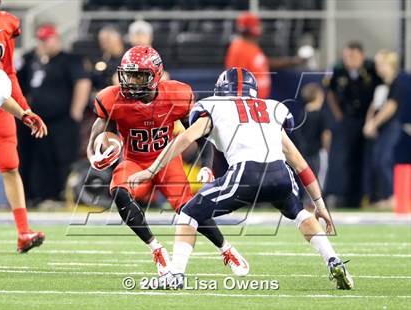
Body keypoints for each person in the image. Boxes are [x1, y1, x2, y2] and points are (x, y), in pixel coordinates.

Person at [129, 67, 354, 290]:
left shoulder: (214, 106)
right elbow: (299, 162)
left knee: (188, 214)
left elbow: (185, 138)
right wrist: (320, 204)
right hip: (280, 174)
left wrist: (151, 170)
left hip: (246, 173)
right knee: (299, 213)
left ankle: (175, 275)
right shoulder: (271, 107)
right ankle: (333, 260)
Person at [87, 46, 248, 277]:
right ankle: (157, 249)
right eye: (129, 74)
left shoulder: (177, 95)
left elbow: (201, 132)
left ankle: (226, 249)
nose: (131, 81)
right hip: (135, 161)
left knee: (189, 208)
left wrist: (206, 164)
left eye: (139, 75)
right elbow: (97, 132)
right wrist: (95, 156)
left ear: (156, 75)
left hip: (166, 160)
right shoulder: (111, 98)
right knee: (118, 192)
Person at [0, 0, 46, 252]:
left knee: (10, 164)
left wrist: (24, 111)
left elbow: (6, 77)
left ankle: (24, 231)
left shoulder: (6, 23)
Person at [17, 24, 91, 205]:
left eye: (46, 40)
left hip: (62, 120)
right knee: (39, 158)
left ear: (56, 39)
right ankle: (38, 196)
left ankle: (61, 196)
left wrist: (76, 113)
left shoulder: (70, 60)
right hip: (38, 121)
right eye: (41, 41)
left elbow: (83, 83)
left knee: (62, 157)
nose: (43, 45)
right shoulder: (33, 60)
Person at [326, 41, 381, 207]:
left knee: (364, 158)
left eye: (353, 55)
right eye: (347, 55)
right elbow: (330, 93)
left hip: (366, 119)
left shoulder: (371, 69)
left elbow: (381, 91)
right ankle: (340, 195)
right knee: (343, 158)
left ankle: (363, 196)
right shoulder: (337, 69)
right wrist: (338, 114)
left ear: (362, 56)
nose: (349, 59)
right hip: (347, 119)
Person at [225, 12, 303, 98]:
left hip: (258, 101)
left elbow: (264, 63)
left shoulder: (252, 45)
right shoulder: (238, 48)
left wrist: (291, 62)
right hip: (248, 103)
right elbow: (235, 79)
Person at [362, 51, 404, 208]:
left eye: (381, 64)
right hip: (380, 128)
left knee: (383, 160)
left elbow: (390, 107)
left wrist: (374, 123)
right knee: (376, 160)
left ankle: (393, 197)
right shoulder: (381, 84)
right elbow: (374, 105)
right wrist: (369, 122)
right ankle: (385, 196)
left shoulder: (397, 83)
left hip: (391, 127)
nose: (378, 68)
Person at [294, 83, 331, 208]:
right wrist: (327, 148)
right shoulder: (322, 114)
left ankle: (306, 200)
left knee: (306, 176)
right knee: (319, 176)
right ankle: (317, 201)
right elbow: (326, 134)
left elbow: (298, 133)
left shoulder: (301, 114)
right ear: (319, 97)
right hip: (318, 151)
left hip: (303, 153)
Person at [93, 25, 125, 89]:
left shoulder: (128, 58)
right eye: (101, 40)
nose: (103, 43)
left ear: (117, 39)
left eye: (107, 39)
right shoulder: (101, 58)